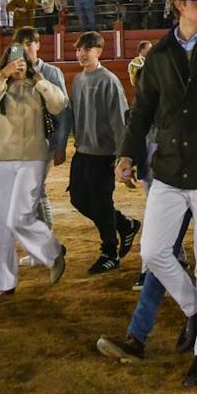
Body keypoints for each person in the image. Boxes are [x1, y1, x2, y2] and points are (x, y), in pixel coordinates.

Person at [104, 0, 197, 387]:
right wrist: (127, 154)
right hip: (169, 166)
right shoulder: (161, 54)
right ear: (179, 4)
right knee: (153, 251)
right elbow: (142, 109)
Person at [0, 42, 70, 294]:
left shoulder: (38, 84)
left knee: (19, 216)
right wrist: (2, 76)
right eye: (13, 60)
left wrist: (39, 81)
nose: (17, 65)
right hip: (3, 155)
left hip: (32, 156)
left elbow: (59, 104)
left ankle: (53, 251)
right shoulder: (2, 85)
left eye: (21, 60)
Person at [63, 31, 136, 274]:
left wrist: (122, 156)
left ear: (99, 51)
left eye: (87, 49)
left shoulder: (109, 80)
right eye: (79, 50)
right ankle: (125, 225)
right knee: (78, 198)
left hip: (104, 154)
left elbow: (119, 121)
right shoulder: (79, 80)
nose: (82, 54)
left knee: (102, 202)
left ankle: (110, 252)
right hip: (83, 151)